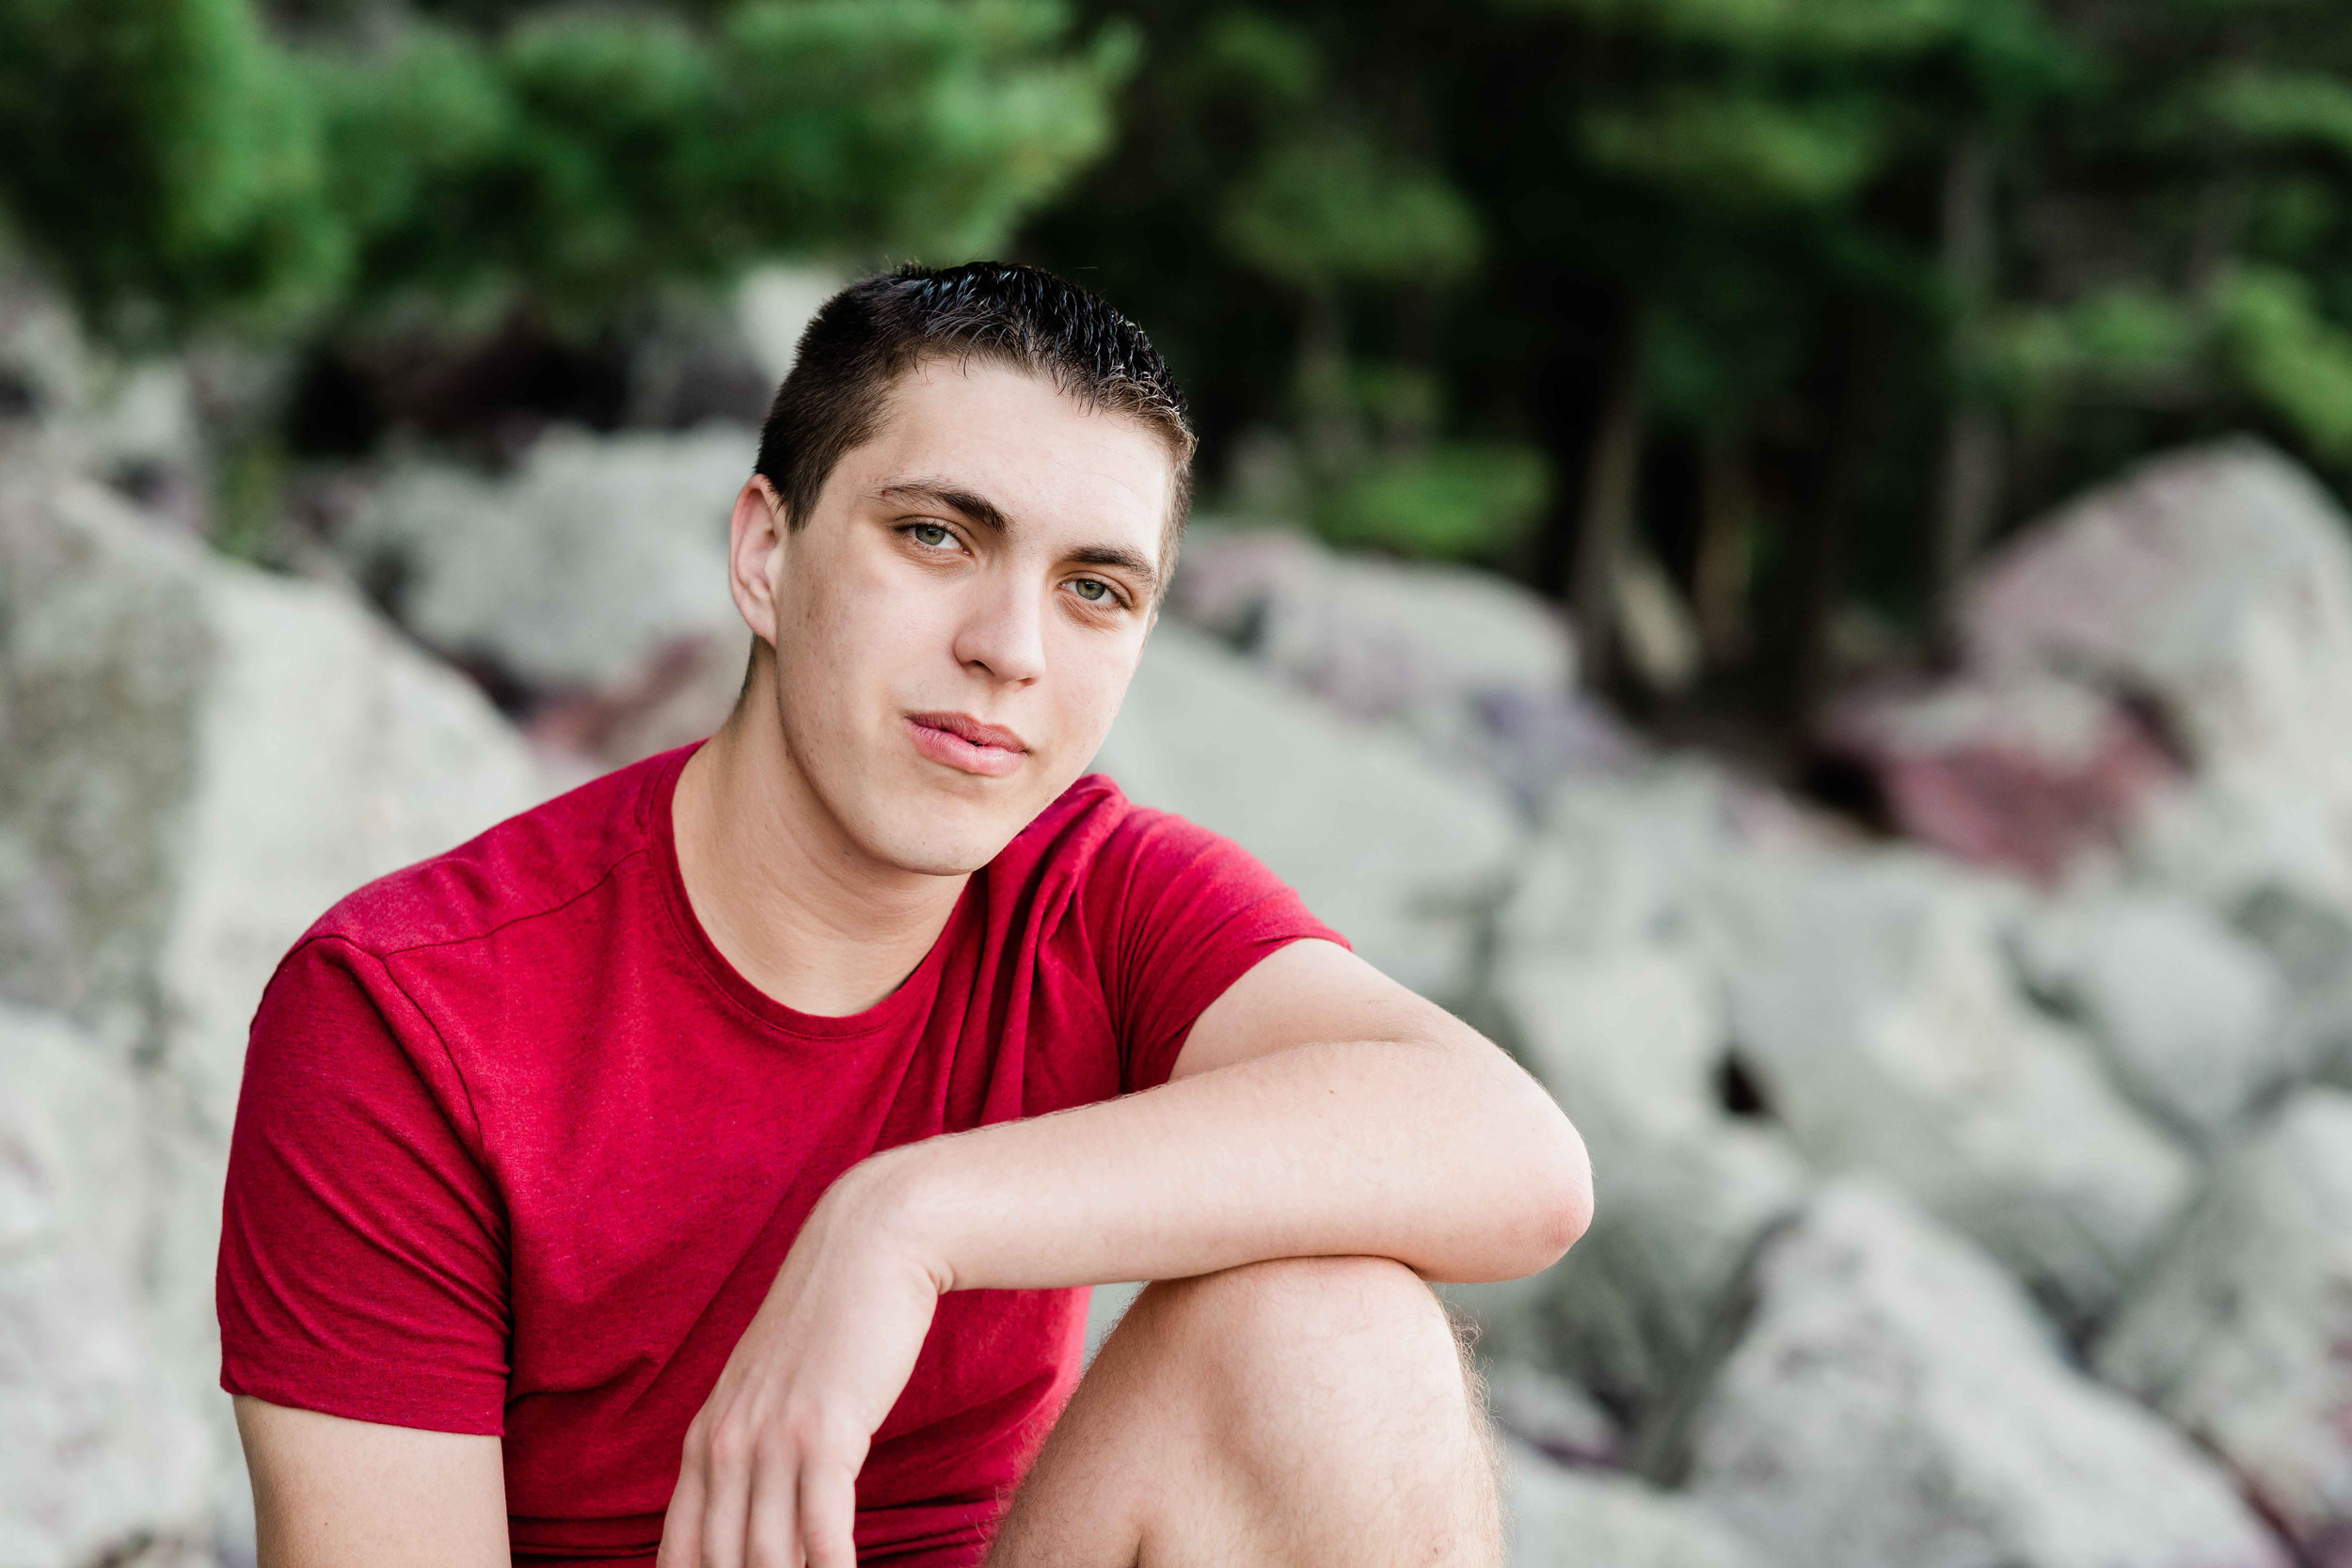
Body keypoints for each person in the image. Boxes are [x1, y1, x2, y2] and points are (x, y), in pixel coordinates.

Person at [217, 261, 1593, 1568]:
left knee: (1333, 1332)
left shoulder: (1096, 896)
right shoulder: (408, 1015)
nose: (1011, 649)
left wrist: (904, 1223)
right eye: (937, 535)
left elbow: (1518, 1159)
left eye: (1095, 590)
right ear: (766, 552)